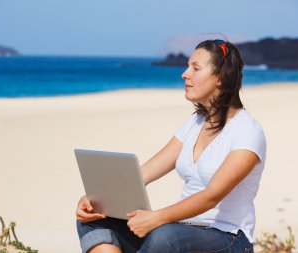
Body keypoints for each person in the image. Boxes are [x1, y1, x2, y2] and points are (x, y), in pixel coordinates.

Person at [76, 39, 266, 253]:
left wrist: (157, 218)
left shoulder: (247, 132)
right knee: (93, 220)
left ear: (221, 78)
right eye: (187, 67)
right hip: (182, 231)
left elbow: (212, 196)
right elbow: (143, 175)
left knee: (164, 236)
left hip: (228, 237)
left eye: (195, 68)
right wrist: (99, 198)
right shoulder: (194, 123)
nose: (185, 74)